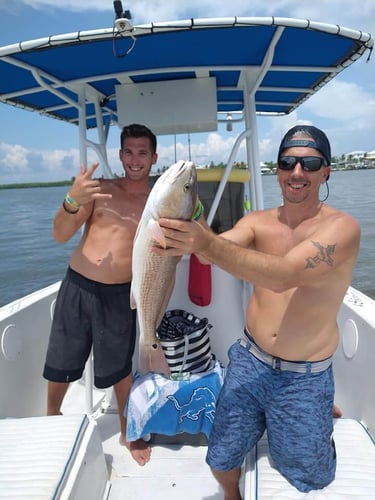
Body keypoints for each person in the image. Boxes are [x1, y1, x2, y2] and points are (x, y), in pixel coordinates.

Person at [153, 125, 360, 497]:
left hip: (304, 376)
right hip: (250, 360)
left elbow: (285, 275)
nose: (297, 173)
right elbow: (212, 248)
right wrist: (192, 218)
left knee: (310, 477)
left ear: (326, 171)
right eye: (287, 162)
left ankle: (319, 411)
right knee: (220, 458)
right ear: (277, 169)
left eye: (309, 164)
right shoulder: (256, 222)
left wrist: (207, 245)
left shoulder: (343, 229)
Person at [43, 123, 158, 466]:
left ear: (153, 158)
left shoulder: (158, 199)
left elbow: (191, 221)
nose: (135, 159)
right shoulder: (99, 190)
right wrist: (70, 200)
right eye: (129, 151)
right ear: (120, 154)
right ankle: (51, 419)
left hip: (121, 294)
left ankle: (128, 431)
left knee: (119, 368)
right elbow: (60, 235)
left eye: (142, 152)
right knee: (60, 360)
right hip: (78, 285)